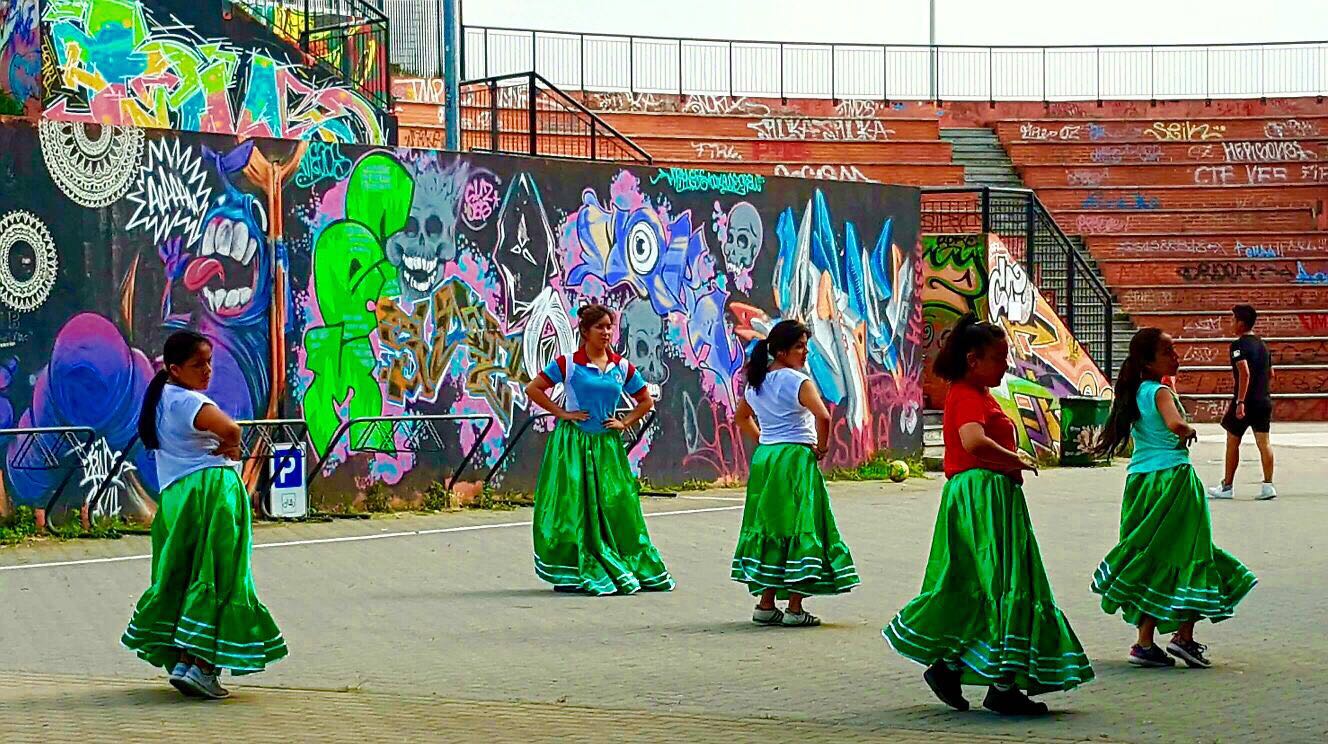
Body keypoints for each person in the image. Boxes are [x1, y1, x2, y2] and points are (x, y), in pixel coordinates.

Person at [882, 314, 1092, 716]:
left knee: (985, 585)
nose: (1005, 365)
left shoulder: (979, 392)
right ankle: (1001, 683)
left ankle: (953, 667)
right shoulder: (965, 394)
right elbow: (973, 441)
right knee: (1001, 583)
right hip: (982, 496)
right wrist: (1015, 458)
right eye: (999, 358)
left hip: (988, 494)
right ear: (973, 358)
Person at [121, 331, 287, 700]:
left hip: (177, 498)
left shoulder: (161, 398)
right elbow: (231, 428)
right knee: (221, 575)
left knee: (183, 574)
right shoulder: (188, 401)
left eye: (209, 362)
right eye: (199, 365)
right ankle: (203, 668)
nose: (208, 371)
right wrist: (231, 448)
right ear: (175, 369)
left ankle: (185, 661)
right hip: (212, 492)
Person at [1092, 328, 1257, 670]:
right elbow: (1174, 423)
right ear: (1148, 361)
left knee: (1152, 555)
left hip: (1141, 483)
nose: (1176, 356)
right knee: (1192, 553)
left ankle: (1144, 641)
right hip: (1174, 481)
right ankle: (1184, 637)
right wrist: (1187, 430)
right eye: (1168, 351)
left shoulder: (1133, 393)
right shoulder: (1162, 392)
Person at [524, 304, 673, 595]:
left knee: (616, 503)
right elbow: (534, 389)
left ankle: (620, 558)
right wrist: (562, 413)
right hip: (573, 444)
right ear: (584, 331)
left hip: (607, 446)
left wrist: (625, 421)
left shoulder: (621, 366)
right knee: (573, 506)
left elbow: (645, 401)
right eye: (600, 327)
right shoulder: (568, 363)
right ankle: (572, 569)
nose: (606, 333)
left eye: (609, 327)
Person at [730, 320, 859, 627]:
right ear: (781, 350)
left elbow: (741, 418)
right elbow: (823, 416)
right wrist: (822, 447)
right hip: (795, 458)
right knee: (801, 524)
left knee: (771, 525)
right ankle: (795, 608)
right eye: (799, 346)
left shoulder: (756, 382)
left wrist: (764, 439)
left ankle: (765, 603)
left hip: (767, 460)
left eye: (805, 346)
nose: (805, 352)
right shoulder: (798, 381)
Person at [1206, 304, 1276, 501]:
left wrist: (1241, 401)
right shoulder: (1263, 345)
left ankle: (1227, 486)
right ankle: (1268, 485)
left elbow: (1244, 372)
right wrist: (1260, 389)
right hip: (1263, 400)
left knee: (1232, 442)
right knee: (1264, 443)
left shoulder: (1238, 346)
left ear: (1241, 323)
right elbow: (1271, 373)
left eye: (1233, 320)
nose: (1231, 324)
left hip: (1245, 402)